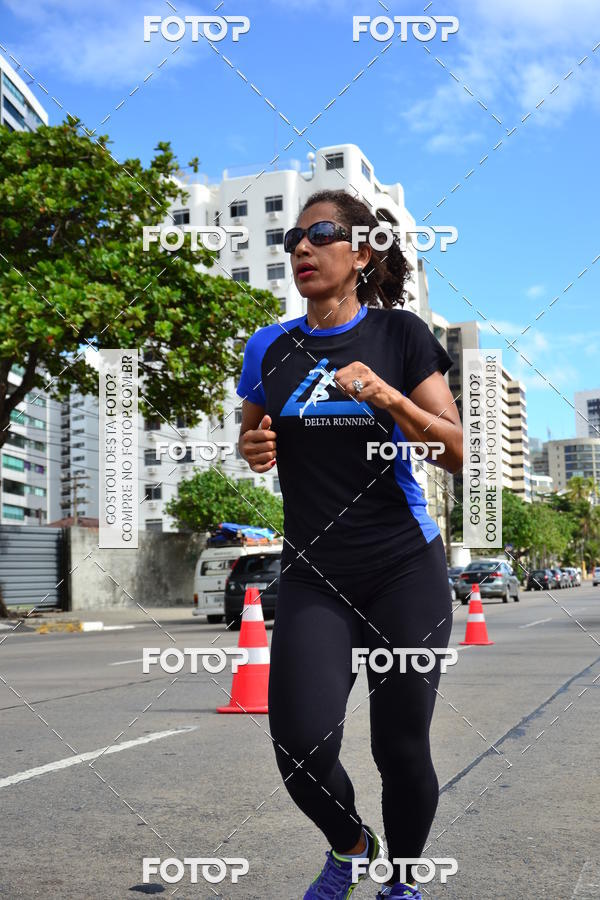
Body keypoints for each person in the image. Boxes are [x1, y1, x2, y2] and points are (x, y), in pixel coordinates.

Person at [236, 189, 463, 899]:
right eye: (292, 240)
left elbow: (457, 450)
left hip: (403, 567)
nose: (301, 248)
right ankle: (353, 845)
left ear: (362, 253)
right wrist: (253, 447)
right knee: (300, 745)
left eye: (320, 234)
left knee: (400, 745)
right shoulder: (269, 347)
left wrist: (389, 398)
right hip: (314, 573)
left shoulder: (400, 335)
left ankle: (403, 882)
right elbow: (252, 435)